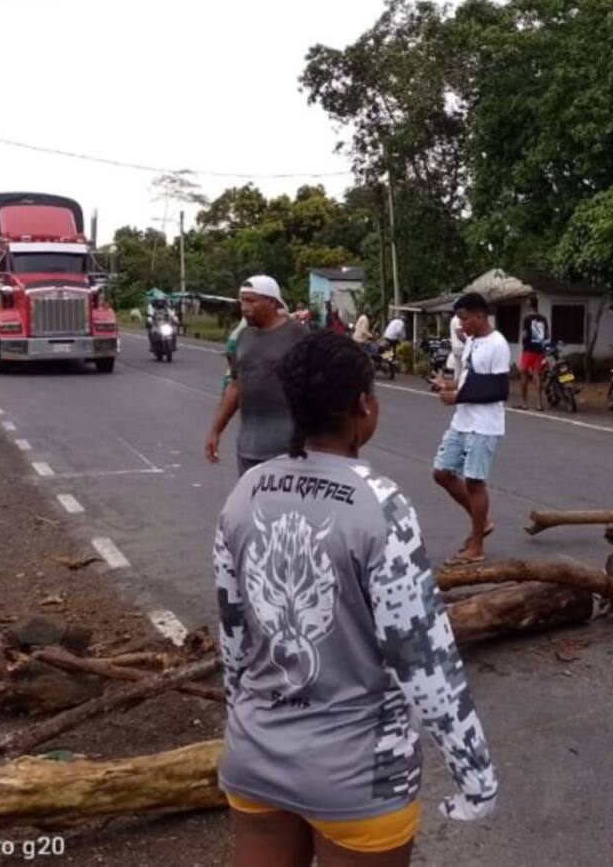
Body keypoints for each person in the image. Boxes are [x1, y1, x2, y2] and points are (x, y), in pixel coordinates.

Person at [214, 330, 497, 867]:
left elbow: (233, 637)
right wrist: (473, 773)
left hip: (254, 758)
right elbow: (422, 659)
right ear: (364, 406)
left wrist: (243, 722)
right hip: (359, 777)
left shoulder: (245, 492)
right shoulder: (381, 506)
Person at [433, 293, 510, 566]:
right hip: (462, 420)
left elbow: (499, 389)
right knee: (442, 473)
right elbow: (469, 380)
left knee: (475, 483)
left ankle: (476, 546)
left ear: (480, 316)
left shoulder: (497, 344)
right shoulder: (473, 341)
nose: (461, 325)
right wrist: (449, 385)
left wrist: (459, 397)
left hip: (484, 424)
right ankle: (483, 521)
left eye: (464, 319)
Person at [206, 276, 309, 474]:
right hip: (249, 449)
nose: (245, 307)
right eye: (242, 301)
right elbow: (235, 388)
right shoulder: (243, 338)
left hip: (289, 451)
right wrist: (215, 430)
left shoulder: (298, 334)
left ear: (272, 302)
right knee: (252, 504)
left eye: (252, 301)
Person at [516, 296, 548, 411]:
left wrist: (524, 344)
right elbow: (546, 335)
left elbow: (524, 334)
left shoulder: (527, 318)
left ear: (530, 304)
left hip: (528, 349)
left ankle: (524, 402)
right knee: (537, 375)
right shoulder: (543, 319)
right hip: (539, 349)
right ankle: (539, 403)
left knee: (524, 374)